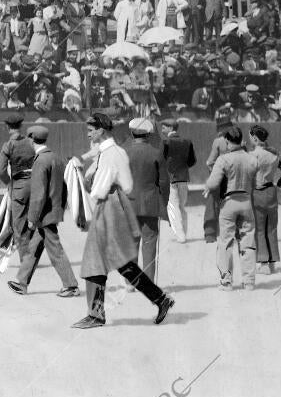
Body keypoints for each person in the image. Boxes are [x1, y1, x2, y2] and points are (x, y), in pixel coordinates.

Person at [71, 113, 175, 329]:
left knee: (94, 260)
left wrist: (83, 182)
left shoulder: (112, 153)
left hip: (106, 206)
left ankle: (96, 314)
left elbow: (99, 189)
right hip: (115, 205)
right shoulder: (110, 150)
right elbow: (123, 181)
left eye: (91, 129)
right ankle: (160, 299)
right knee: (120, 262)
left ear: (101, 130)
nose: (88, 132)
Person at [7, 125, 80, 297]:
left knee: (55, 249)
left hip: (43, 215)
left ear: (32, 139)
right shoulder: (56, 157)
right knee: (33, 247)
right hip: (52, 211)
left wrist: (32, 218)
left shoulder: (40, 161)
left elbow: (38, 195)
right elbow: (63, 188)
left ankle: (71, 286)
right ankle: (21, 283)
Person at [202, 126, 258, 291]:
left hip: (228, 202)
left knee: (226, 242)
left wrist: (207, 186)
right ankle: (249, 281)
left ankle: (226, 281)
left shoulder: (224, 159)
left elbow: (212, 183)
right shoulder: (252, 159)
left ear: (226, 141)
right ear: (241, 141)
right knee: (248, 241)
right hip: (246, 201)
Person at [123, 118, 169, 283]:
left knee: (130, 242)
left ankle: (130, 282)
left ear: (131, 133)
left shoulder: (123, 152)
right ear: (149, 134)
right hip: (150, 203)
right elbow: (163, 182)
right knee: (150, 243)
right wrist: (164, 203)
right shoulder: (156, 153)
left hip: (129, 203)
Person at [249, 125, 281, 275]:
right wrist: (279, 185)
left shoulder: (252, 156)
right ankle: (272, 263)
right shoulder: (274, 154)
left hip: (257, 193)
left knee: (260, 229)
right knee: (272, 228)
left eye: (251, 136)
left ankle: (263, 264)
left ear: (255, 138)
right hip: (271, 191)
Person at [0, 112, 36, 262]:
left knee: (19, 225)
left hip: (18, 187)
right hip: (36, 186)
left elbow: (0, 171)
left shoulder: (9, 145)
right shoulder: (31, 143)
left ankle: (26, 261)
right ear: (21, 126)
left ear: (7, 127)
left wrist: (9, 183)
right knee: (34, 222)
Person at [161, 118, 196, 243]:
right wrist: (182, 167)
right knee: (182, 206)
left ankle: (180, 235)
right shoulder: (187, 141)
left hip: (170, 178)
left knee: (172, 206)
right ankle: (183, 232)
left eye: (164, 126)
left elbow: (161, 160)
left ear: (171, 128)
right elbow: (192, 161)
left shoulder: (165, 142)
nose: (162, 129)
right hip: (183, 177)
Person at [204, 107, 233, 242]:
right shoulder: (240, 140)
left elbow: (210, 162)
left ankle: (210, 234)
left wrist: (213, 173)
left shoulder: (218, 141)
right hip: (235, 178)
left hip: (221, 177)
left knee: (212, 202)